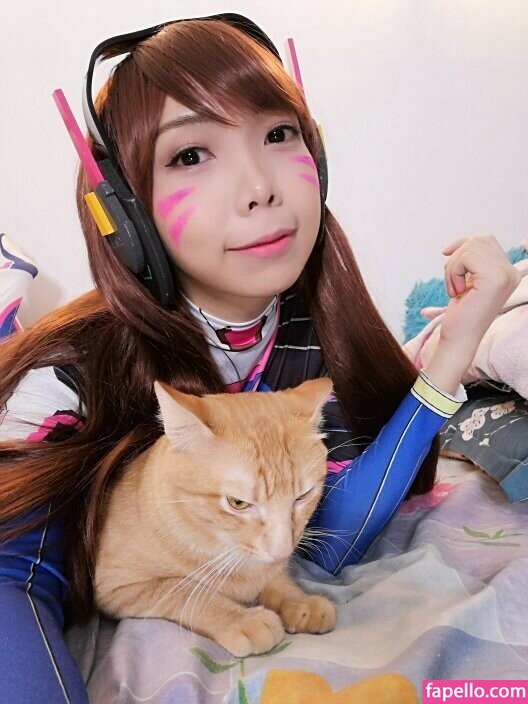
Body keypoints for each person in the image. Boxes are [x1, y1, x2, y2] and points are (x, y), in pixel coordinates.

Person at [0, 13, 520, 703]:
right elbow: (11, 578)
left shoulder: (313, 331)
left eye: (278, 134)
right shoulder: (67, 373)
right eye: (191, 154)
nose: (260, 187)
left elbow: (329, 541)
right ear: (121, 215)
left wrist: (456, 347)